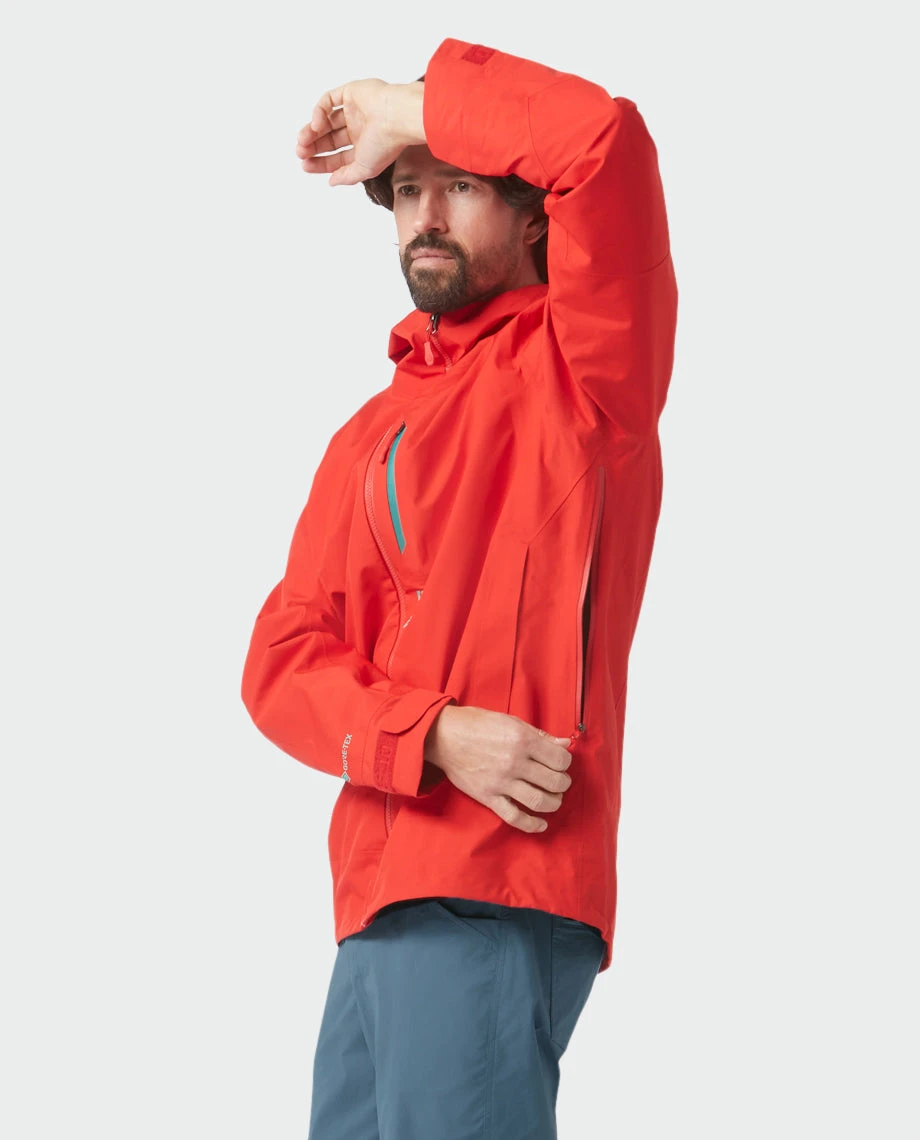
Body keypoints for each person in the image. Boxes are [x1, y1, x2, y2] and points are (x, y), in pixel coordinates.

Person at [241, 36, 677, 1139]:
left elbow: (601, 143)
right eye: (405, 192)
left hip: (496, 881)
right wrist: (428, 734)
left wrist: (402, 104)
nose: (425, 216)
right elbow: (282, 660)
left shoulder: (587, 372)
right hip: (375, 900)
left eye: (461, 186)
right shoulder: (371, 432)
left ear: (533, 217)